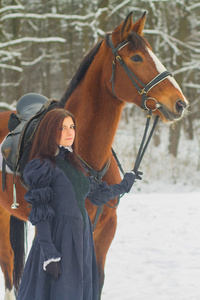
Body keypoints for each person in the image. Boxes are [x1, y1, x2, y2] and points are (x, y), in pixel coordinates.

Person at [17, 108, 142, 300]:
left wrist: (126, 182)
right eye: (62, 128)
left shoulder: (75, 165)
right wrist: (50, 254)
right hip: (58, 242)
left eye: (72, 127)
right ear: (49, 131)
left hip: (82, 239)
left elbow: (100, 194)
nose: (69, 132)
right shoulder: (42, 166)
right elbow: (40, 215)